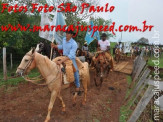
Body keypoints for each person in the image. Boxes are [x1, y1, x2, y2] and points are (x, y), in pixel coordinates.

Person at [51, 30, 81, 94]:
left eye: (68, 33)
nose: (66, 34)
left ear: (71, 35)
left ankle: (78, 85)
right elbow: (62, 46)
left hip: (71, 58)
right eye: (66, 33)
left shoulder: (74, 43)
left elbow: (71, 55)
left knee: (76, 70)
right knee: (53, 62)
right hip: (63, 56)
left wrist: (62, 61)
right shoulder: (64, 39)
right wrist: (55, 46)